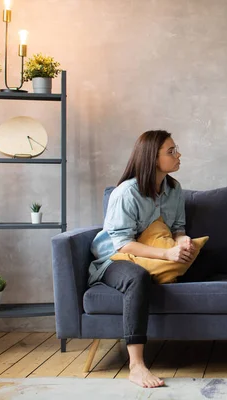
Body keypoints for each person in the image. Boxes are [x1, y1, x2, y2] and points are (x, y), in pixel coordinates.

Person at [88, 130, 194, 388]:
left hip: (154, 253)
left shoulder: (174, 188)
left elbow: (178, 229)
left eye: (175, 149)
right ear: (152, 158)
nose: (178, 154)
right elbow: (123, 244)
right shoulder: (127, 193)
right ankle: (136, 365)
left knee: (206, 260)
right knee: (137, 277)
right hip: (114, 260)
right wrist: (167, 254)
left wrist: (183, 243)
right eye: (171, 151)